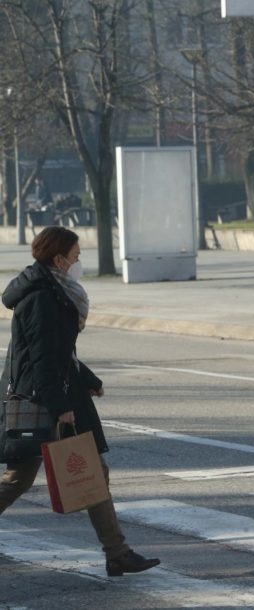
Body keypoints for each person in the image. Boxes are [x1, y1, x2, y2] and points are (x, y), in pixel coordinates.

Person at [0, 226, 160, 576]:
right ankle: (117, 553)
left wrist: (86, 380)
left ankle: (117, 553)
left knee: (88, 471)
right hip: (42, 398)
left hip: (53, 390)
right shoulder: (43, 297)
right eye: (75, 256)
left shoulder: (52, 289)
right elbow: (43, 359)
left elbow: (60, 351)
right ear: (59, 259)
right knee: (20, 479)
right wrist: (60, 406)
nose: (79, 262)